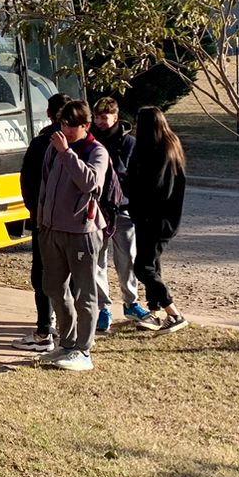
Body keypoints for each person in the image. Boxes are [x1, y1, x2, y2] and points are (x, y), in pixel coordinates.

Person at [35, 99, 109, 372]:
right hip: (51, 230)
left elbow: (90, 182)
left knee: (85, 293)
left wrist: (67, 153)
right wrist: (42, 219)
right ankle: (66, 343)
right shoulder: (53, 148)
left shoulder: (95, 151)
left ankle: (83, 349)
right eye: (61, 123)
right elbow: (44, 183)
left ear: (85, 126)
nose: (64, 128)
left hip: (82, 232)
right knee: (53, 287)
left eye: (70, 125)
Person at [12, 92, 69, 353]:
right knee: (75, 278)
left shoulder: (41, 142)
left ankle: (45, 329)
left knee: (43, 274)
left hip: (44, 222)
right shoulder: (87, 143)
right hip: (77, 225)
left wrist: (35, 212)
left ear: (48, 113)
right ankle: (71, 332)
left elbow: (28, 181)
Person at [127, 107, 191, 334]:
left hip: (155, 219)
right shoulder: (169, 144)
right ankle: (153, 311)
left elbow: (152, 189)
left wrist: (125, 182)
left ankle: (174, 313)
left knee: (142, 268)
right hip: (158, 218)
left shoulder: (157, 151)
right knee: (152, 264)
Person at [89, 97, 143, 332]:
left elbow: (134, 174)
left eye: (105, 117)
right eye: (97, 117)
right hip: (97, 209)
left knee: (127, 259)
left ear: (115, 118)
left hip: (122, 209)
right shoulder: (88, 141)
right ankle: (103, 307)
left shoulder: (129, 143)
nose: (101, 121)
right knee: (97, 260)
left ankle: (131, 302)